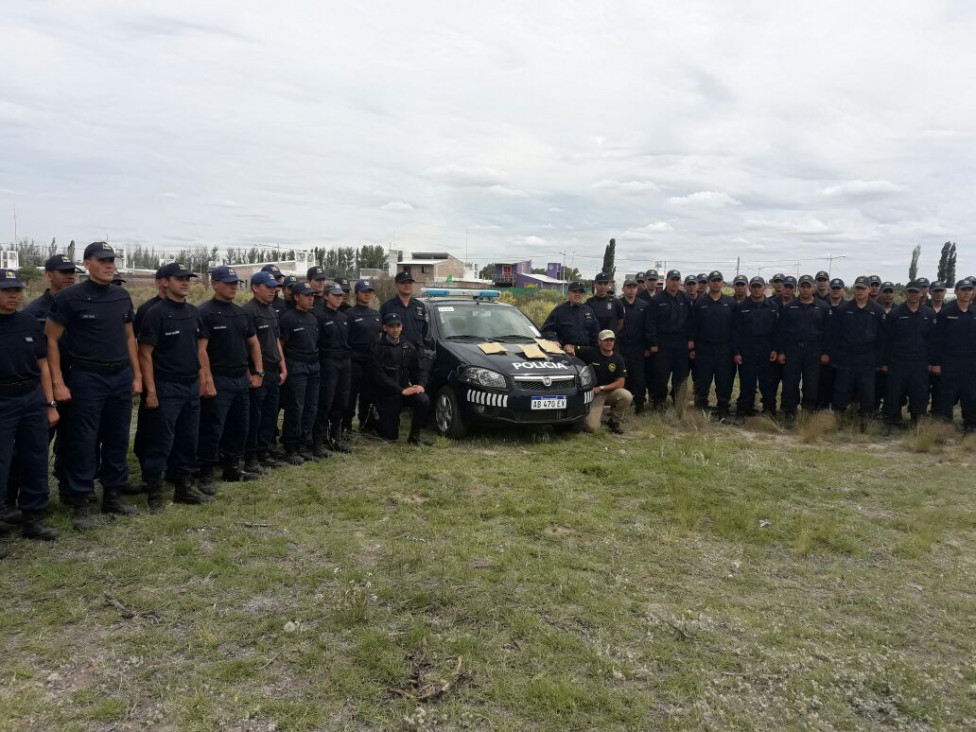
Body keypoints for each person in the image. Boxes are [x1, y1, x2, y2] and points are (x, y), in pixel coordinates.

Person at [46, 242, 141, 529]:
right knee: (83, 440)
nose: (109, 265)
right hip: (86, 377)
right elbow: (50, 340)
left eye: (112, 260)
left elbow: (129, 339)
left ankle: (113, 494)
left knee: (116, 437)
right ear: (87, 264)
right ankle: (81, 500)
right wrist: (58, 383)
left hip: (119, 376)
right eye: (102, 260)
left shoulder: (121, 296)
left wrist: (136, 375)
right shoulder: (69, 298)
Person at [136, 263, 212, 511]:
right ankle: (154, 492)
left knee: (188, 440)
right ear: (165, 282)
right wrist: (152, 391)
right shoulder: (155, 313)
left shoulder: (193, 312)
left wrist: (203, 379)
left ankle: (183, 488)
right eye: (179, 279)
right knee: (161, 441)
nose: (185, 282)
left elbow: (200, 349)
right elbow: (145, 354)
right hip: (166, 386)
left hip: (191, 385)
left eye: (187, 278)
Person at [0, 269, 59, 556]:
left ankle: (32, 517)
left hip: (32, 397)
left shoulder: (28, 322)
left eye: (17, 290)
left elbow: (43, 364)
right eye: (7, 290)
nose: (14, 295)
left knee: (35, 457)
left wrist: (49, 404)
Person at [196, 266, 264, 490]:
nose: (233, 287)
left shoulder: (241, 313)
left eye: (235, 283)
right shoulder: (205, 312)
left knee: (239, 426)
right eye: (228, 283)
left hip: (240, 379)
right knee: (213, 427)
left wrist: (258, 372)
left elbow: (253, 343)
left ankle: (232, 468)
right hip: (219, 378)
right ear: (214, 284)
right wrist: (206, 380)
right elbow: (201, 350)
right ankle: (205, 472)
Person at [828, 275, 887, 429]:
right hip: (847, 357)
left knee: (867, 391)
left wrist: (880, 361)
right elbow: (835, 336)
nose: (860, 291)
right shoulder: (843, 310)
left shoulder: (877, 311)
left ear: (869, 290)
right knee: (842, 389)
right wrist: (836, 358)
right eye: (858, 288)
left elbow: (883, 338)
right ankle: (838, 419)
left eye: (863, 288)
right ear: (853, 290)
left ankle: (865, 421)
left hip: (868, 358)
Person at [243, 272, 286, 472]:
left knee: (270, 415)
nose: (273, 291)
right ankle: (250, 457)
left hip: (273, 371)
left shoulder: (271, 311)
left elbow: (276, 341)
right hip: (258, 372)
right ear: (255, 287)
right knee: (255, 416)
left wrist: (282, 367)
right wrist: (252, 374)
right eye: (268, 287)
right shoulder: (248, 312)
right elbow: (244, 348)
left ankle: (265, 451)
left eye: (275, 287)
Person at [369, 313, 432, 445]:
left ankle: (414, 437)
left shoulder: (408, 347)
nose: (395, 329)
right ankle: (375, 418)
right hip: (387, 394)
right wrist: (400, 390)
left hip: (405, 390)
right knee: (391, 437)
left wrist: (420, 385)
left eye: (398, 325)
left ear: (402, 327)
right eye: (391, 326)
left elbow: (421, 369)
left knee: (423, 399)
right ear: (385, 328)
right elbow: (380, 377)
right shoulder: (376, 349)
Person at [774, 276, 829, 424]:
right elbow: (781, 331)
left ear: (813, 288)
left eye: (808, 286)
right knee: (790, 382)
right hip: (793, 350)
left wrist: (825, 352)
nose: (805, 289)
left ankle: (808, 411)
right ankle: (788, 413)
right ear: (798, 288)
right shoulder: (790, 307)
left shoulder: (823, 307)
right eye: (803, 286)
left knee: (811, 383)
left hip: (814, 350)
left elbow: (828, 332)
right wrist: (781, 351)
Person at [882, 280, 936, 429]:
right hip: (898, 361)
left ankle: (917, 420)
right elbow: (887, 340)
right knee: (894, 392)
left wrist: (931, 361)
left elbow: (933, 340)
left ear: (921, 294)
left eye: (916, 292)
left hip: (920, 361)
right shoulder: (895, 314)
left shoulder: (928, 314)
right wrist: (885, 362)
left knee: (919, 393)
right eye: (910, 292)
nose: (913, 295)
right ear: (905, 293)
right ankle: (891, 420)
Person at [277, 282, 321, 463]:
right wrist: (284, 368)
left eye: (312, 295)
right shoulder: (288, 318)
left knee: (311, 407)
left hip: (313, 365)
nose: (311, 298)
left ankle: (304, 444)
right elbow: (280, 345)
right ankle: (290, 447)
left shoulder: (312, 317)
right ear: (296, 297)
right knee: (296, 407)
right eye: (306, 295)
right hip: (296, 366)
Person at [930, 279, 976, 431]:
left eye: (969, 289)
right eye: (963, 289)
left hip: (971, 363)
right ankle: (944, 426)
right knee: (947, 395)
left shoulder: (974, 312)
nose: (966, 292)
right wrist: (936, 363)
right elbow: (937, 341)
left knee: (970, 395)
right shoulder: (946, 313)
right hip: (950, 362)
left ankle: (970, 425)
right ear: (956, 292)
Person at [732, 276, 779, 422]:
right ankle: (743, 410)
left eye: (759, 286)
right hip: (748, 349)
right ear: (750, 288)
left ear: (765, 288)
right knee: (747, 382)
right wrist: (736, 352)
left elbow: (778, 331)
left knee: (768, 383)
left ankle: (769, 411)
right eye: (754, 286)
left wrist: (775, 349)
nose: (757, 289)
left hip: (767, 349)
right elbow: (735, 332)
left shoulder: (773, 307)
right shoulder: (741, 307)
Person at [689, 271, 735, 418]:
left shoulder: (730, 303)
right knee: (703, 379)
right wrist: (693, 346)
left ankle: (723, 408)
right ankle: (701, 406)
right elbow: (693, 326)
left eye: (718, 280)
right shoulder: (700, 303)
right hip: (704, 348)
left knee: (724, 380)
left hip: (725, 348)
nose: (716, 283)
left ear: (722, 283)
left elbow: (736, 328)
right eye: (713, 280)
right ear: (708, 283)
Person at [315, 282, 352, 454]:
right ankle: (318, 441)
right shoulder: (318, 316)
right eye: (335, 294)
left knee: (341, 400)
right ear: (325, 296)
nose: (339, 297)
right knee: (325, 401)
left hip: (344, 361)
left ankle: (335, 437)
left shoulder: (343, 317)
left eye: (341, 295)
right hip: (328, 361)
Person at [650, 270, 693, 411]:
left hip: (681, 342)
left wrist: (690, 339)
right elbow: (651, 324)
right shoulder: (657, 299)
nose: (675, 282)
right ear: (667, 281)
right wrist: (653, 343)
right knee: (661, 375)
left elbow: (691, 321)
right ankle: (659, 403)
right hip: (663, 342)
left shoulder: (685, 298)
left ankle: (678, 402)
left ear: (680, 282)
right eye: (672, 279)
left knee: (681, 376)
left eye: (677, 280)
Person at [345, 279, 382, 432]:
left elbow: (379, 335)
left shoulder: (376, 314)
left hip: (371, 361)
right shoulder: (349, 314)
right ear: (356, 294)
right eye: (364, 292)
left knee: (368, 394)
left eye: (369, 292)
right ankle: (346, 425)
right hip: (354, 361)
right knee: (351, 395)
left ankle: (365, 424)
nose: (367, 295)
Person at [578, 330, 632, 434]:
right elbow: (572, 348)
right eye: (606, 340)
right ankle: (586, 417)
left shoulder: (618, 359)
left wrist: (601, 388)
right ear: (599, 342)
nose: (609, 342)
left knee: (626, 396)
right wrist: (566, 347)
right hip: (594, 395)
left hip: (608, 392)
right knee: (591, 428)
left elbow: (620, 383)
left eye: (611, 340)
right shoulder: (590, 352)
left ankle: (614, 421)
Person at [617, 277, 654, 414]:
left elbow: (648, 327)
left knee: (638, 377)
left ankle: (640, 405)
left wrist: (647, 346)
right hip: (621, 346)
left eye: (633, 287)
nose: (631, 289)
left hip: (638, 348)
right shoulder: (618, 304)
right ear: (623, 289)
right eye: (628, 287)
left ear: (637, 288)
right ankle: (623, 405)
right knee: (622, 376)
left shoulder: (643, 305)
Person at [540, 281, 599, 356]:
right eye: (574, 292)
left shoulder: (588, 311)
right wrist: (554, 340)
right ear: (568, 294)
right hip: (567, 354)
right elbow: (546, 330)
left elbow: (595, 333)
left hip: (586, 352)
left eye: (580, 292)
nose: (577, 294)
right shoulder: (560, 311)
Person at [816, 278, 847, 410]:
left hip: (842, 352)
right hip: (824, 350)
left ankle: (838, 410)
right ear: (829, 290)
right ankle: (821, 409)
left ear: (843, 291)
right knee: (823, 382)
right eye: (833, 288)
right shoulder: (822, 307)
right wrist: (824, 351)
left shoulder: (848, 308)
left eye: (838, 289)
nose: (835, 291)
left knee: (840, 383)